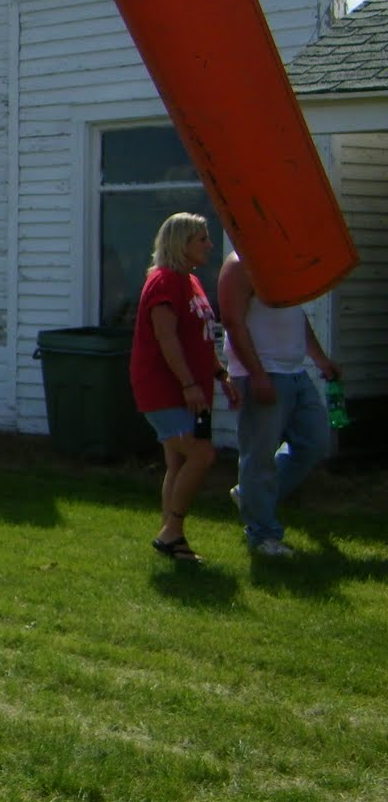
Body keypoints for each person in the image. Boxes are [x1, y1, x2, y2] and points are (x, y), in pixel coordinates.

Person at [129, 213, 241, 563]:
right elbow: (167, 337)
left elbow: (200, 339)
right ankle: (172, 531)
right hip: (165, 387)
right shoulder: (163, 281)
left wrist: (220, 376)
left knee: (178, 460)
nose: (209, 245)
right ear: (181, 244)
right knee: (201, 454)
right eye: (202, 239)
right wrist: (190, 384)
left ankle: (171, 538)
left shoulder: (191, 281)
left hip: (191, 387)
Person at [217, 249, 341, 558]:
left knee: (314, 442)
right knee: (258, 457)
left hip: (295, 372)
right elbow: (232, 322)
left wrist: (321, 360)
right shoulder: (239, 266)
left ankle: (251, 497)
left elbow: (296, 316)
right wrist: (257, 376)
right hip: (262, 372)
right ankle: (262, 535)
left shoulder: (283, 261)